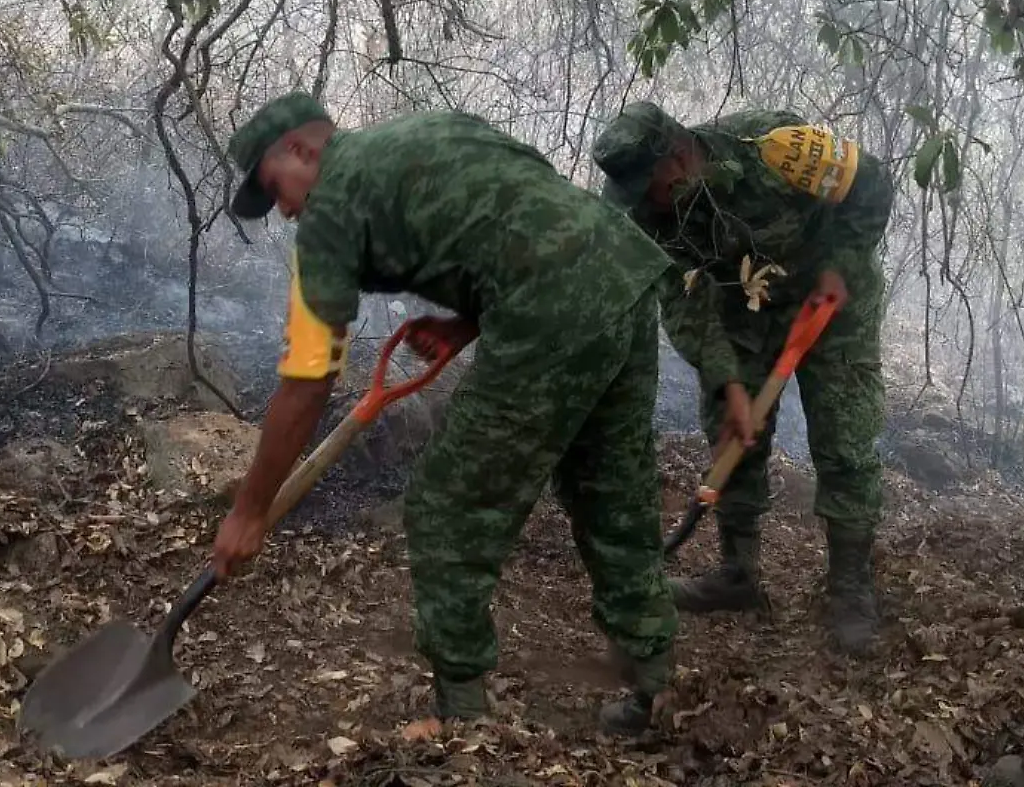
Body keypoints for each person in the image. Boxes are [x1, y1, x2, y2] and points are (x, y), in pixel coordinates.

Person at [209, 92, 678, 734]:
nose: (288, 211)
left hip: (547, 309)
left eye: (278, 190)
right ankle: (653, 686)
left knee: (446, 505)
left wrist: (250, 509)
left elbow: (306, 382)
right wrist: (468, 320)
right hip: (623, 274)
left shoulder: (330, 211)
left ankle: (464, 721)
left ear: (300, 149)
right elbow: (522, 205)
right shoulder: (430, 129)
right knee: (610, 486)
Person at [590, 101, 894, 654]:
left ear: (678, 159)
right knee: (731, 433)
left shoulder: (775, 148)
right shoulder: (651, 215)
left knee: (844, 441)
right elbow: (680, 303)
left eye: (647, 187)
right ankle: (738, 574)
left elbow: (872, 185)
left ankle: (849, 587)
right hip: (745, 309)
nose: (642, 204)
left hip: (832, 302)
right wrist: (728, 381)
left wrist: (842, 264)